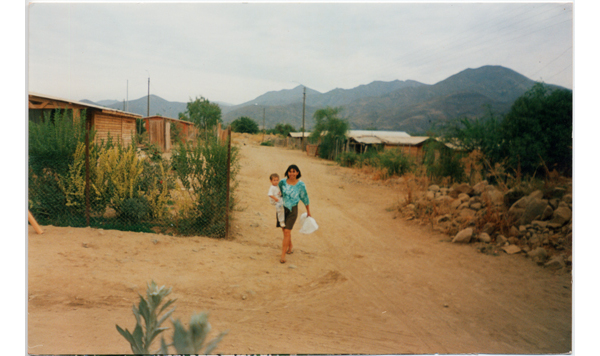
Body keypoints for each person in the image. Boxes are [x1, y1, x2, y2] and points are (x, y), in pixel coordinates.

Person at [277, 164, 311, 263]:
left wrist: (308, 211)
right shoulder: (282, 182)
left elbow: (305, 197)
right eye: (290, 171)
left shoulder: (301, 185)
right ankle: (290, 246)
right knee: (285, 231)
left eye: (294, 171)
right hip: (282, 209)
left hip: (293, 209)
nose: (292, 173)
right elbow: (278, 191)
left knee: (287, 231)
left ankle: (283, 255)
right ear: (287, 172)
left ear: (297, 173)